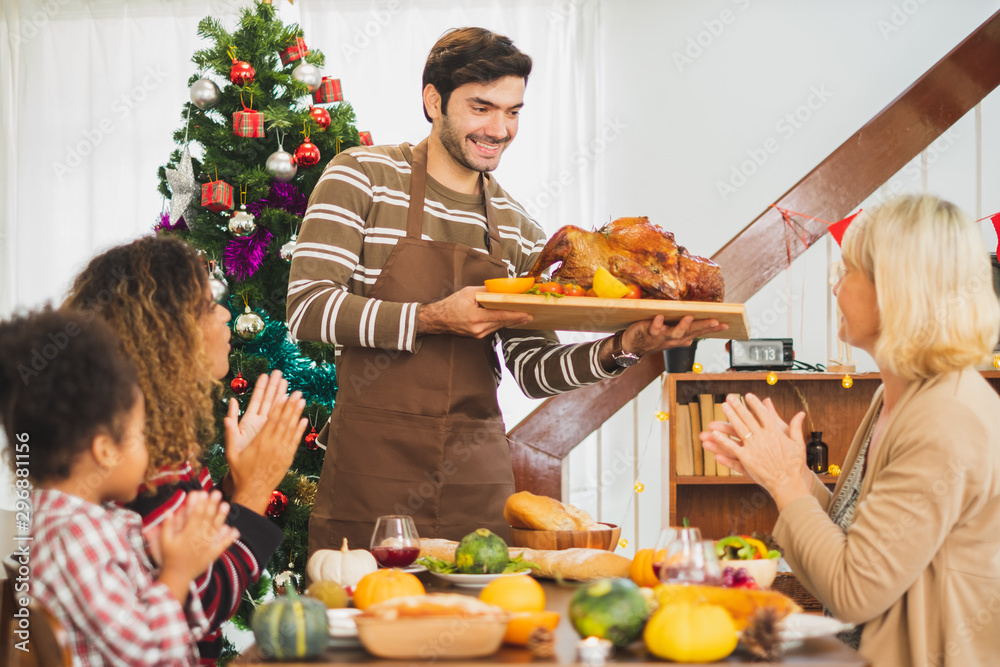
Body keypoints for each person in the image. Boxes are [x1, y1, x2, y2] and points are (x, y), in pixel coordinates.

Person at [288, 26, 728, 554]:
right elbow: (309, 307)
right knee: (362, 627)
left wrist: (626, 347)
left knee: (482, 630)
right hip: (373, 476)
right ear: (434, 100)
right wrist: (433, 318)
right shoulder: (363, 177)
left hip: (475, 481)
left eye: (513, 111)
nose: (500, 129)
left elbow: (534, 370)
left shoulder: (517, 227)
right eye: (482, 108)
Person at [701, 194, 1000, 667]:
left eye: (847, 273)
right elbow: (856, 539)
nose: (836, 290)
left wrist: (784, 482)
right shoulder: (896, 394)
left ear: (897, 288)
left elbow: (855, 589)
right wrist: (788, 474)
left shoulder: (946, 417)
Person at [65, 235, 308, 664]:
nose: (226, 315)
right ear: (171, 333)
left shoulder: (148, 438)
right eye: (209, 305)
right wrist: (255, 490)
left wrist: (235, 485)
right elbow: (200, 603)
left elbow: (194, 549)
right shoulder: (138, 464)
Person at [0, 307, 239, 666]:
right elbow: (149, 655)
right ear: (106, 449)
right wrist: (177, 572)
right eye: (140, 433)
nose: (149, 447)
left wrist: (162, 560)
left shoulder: (74, 523)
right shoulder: (76, 537)